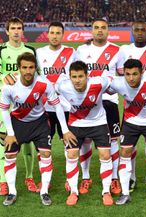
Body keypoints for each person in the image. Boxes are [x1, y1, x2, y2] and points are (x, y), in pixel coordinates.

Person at [0, 52, 76, 206]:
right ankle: (12, 192)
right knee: (10, 154)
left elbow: (57, 105)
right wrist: (11, 133)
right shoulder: (9, 86)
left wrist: (65, 129)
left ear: (36, 68)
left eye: (31, 67)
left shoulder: (44, 83)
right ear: (19, 68)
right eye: (24, 67)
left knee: (46, 154)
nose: (28, 71)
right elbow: (4, 109)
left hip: (40, 122)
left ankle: (44, 191)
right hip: (18, 122)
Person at [56, 61, 114, 206]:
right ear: (69, 77)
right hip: (76, 124)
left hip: (98, 123)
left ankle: (106, 191)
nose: (77, 80)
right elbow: (50, 94)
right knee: (71, 155)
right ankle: (73, 191)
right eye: (74, 77)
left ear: (87, 76)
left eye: (81, 76)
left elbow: (117, 82)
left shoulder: (99, 82)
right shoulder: (62, 86)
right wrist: (65, 130)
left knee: (105, 155)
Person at [108, 59, 146, 207]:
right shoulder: (118, 83)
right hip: (130, 122)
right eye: (127, 74)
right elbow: (101, 86)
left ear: (142, 72)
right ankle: (125, 193)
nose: (131, 78)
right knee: (125, 152)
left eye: (135, 74)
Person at [0, 17, 38, 196]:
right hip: (5, 101)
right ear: (7, 31)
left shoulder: (30, 49)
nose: (16, 31)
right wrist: (8, 77)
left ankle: (29, 177)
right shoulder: (1, 49)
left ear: (23, 31)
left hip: (26, 101)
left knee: (27, 140)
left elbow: (37, 71)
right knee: (5, 139)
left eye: (19, 28)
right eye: (13, 28)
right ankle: (3, 181)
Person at [75, 18, 121, 195]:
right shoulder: (82, 50)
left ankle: (114, 178)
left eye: (103, 28)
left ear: (108, 30)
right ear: (91, 30)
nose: (100, 30)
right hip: (86, 102)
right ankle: (86, 177)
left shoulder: (117, 50)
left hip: (109, 102)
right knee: (86, 139)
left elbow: (122, 77)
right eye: (96, 28)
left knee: (113, 141)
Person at [117, 21, 146, 192]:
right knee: (129, 146)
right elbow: (120, 72)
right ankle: (132, 177)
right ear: (132, 32)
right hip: (132, 107)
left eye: (143, 30)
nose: (140, 32)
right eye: (137, 30)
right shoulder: (124, 50)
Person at [36, 21, 75, 191]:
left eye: (58, 33)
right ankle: (46, 180)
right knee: (44, 147)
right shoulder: (39, 53)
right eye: (52, 32)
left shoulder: (71, 52)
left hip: (66, 107)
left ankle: (70, 180)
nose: (54, 36)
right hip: (45, 108)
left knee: (69, 145)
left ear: (63, 35)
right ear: (47, 34)